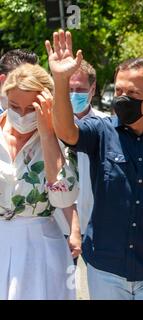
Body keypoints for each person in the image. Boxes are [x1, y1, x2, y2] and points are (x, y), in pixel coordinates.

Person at [46, 30, 143, 300]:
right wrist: (60, 79)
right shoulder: (100, 132)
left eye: (132, 92)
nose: (122, 97)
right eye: (118, 90)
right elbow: (66, 132)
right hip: (105, 268)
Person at [0, 63, 79, 299]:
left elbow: (63, 196)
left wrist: (46, 135)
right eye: (15, 106)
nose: (22, 115)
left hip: (40, 246)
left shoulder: (60, 138)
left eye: (31, 109)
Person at [53, 60, 108, 264]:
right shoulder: (50, 125)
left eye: (80, 89)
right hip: (60, 226)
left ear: (92, 89)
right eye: (69, 89)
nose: (74, 94)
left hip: (99, 227)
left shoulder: (107, 125)